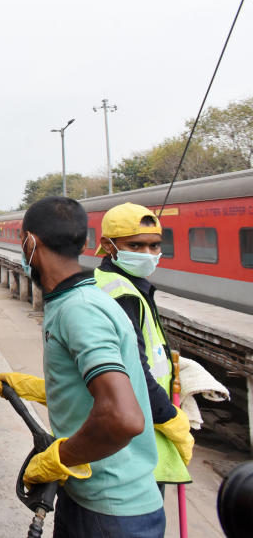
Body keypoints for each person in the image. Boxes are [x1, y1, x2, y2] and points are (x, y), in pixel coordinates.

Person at [0, 197, 165, 537]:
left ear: (29, 242)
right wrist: (41, 388)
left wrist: (59, 458)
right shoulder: (78, 299)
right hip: (96, 502)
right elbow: (97, 390)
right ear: (84, 243)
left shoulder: (79, 309)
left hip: (110, 513)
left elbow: (122, 418)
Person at [94, 203, 194, 489]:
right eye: (135, 245)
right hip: (136, 433)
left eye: (154, 246)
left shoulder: (124, 284)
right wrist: (172, 418)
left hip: (138, 424)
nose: (148, 254)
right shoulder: (122, 293)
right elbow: (134, 371)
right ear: (108, 246)